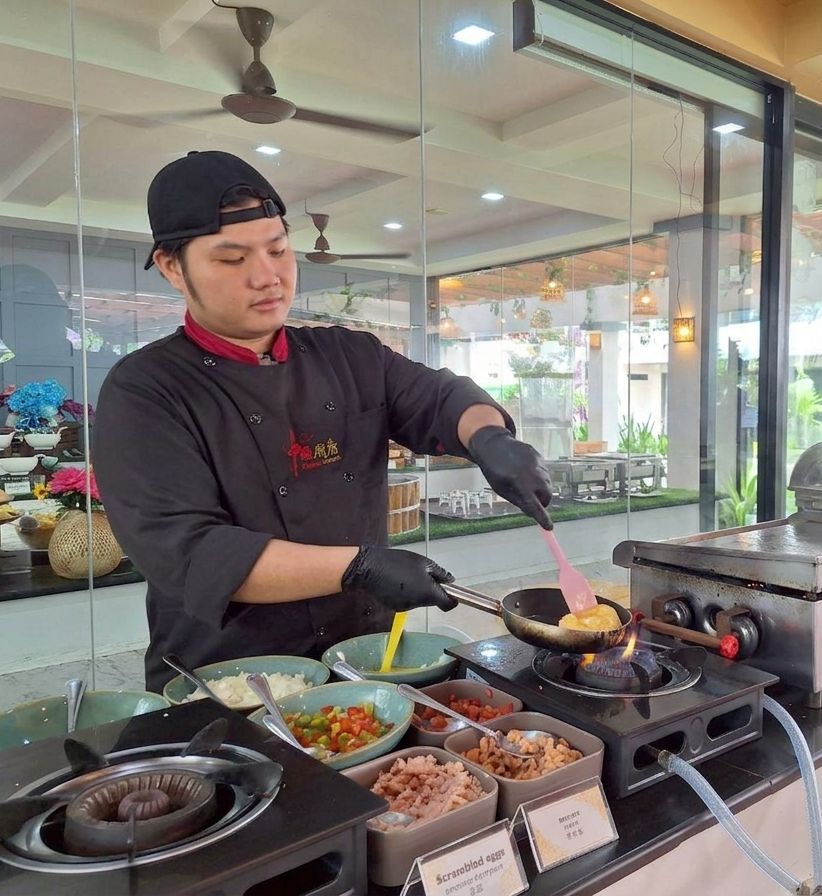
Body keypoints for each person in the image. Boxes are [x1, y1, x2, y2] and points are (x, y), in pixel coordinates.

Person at [94, 151, 553, 692]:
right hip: (234, 680)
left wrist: (489, 437)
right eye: (232, 259)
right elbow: (193, 551)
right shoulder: (144, 390)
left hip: (365, 662)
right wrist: (358, 568)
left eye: (277, 250)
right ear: (173, 267)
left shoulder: (349, 355)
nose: (267, 276)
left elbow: (440, 397)